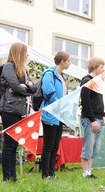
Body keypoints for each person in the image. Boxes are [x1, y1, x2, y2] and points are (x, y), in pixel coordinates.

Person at [0, 42, 37, 182]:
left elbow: (34, 89)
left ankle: (12, 176)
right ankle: (7, 177)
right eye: (25, 52)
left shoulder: (24, 70)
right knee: (9, 143)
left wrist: (24, 86)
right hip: (9, 109)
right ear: (19, 53)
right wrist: (25, 87)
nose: (27, 55)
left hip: (20, 110)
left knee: (14, 144)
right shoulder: (9, 67)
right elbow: (15, 86)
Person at [40, 51, 71, 179]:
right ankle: (45, 174)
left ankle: (51, 173)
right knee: (48, 145)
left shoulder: (61, 76)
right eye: (68, 60)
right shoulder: (49, 73)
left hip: (59, 115)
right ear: (62, 61)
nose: (70, 63)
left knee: (55, 146)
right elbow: (48, 91)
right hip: (50, 113)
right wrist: (59, 104)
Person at [80, 57, 105, 179]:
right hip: (91, 119)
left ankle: (89, 171)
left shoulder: (98, 82)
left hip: (99, 118)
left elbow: (99, 100)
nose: (103, 69)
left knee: (95, 148)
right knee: (88, 146)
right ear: (95, 67)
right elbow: (85, 102)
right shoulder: (87, 81)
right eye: (101, 67)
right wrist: (92, 120)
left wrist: (104, 115)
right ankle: (85, 173)